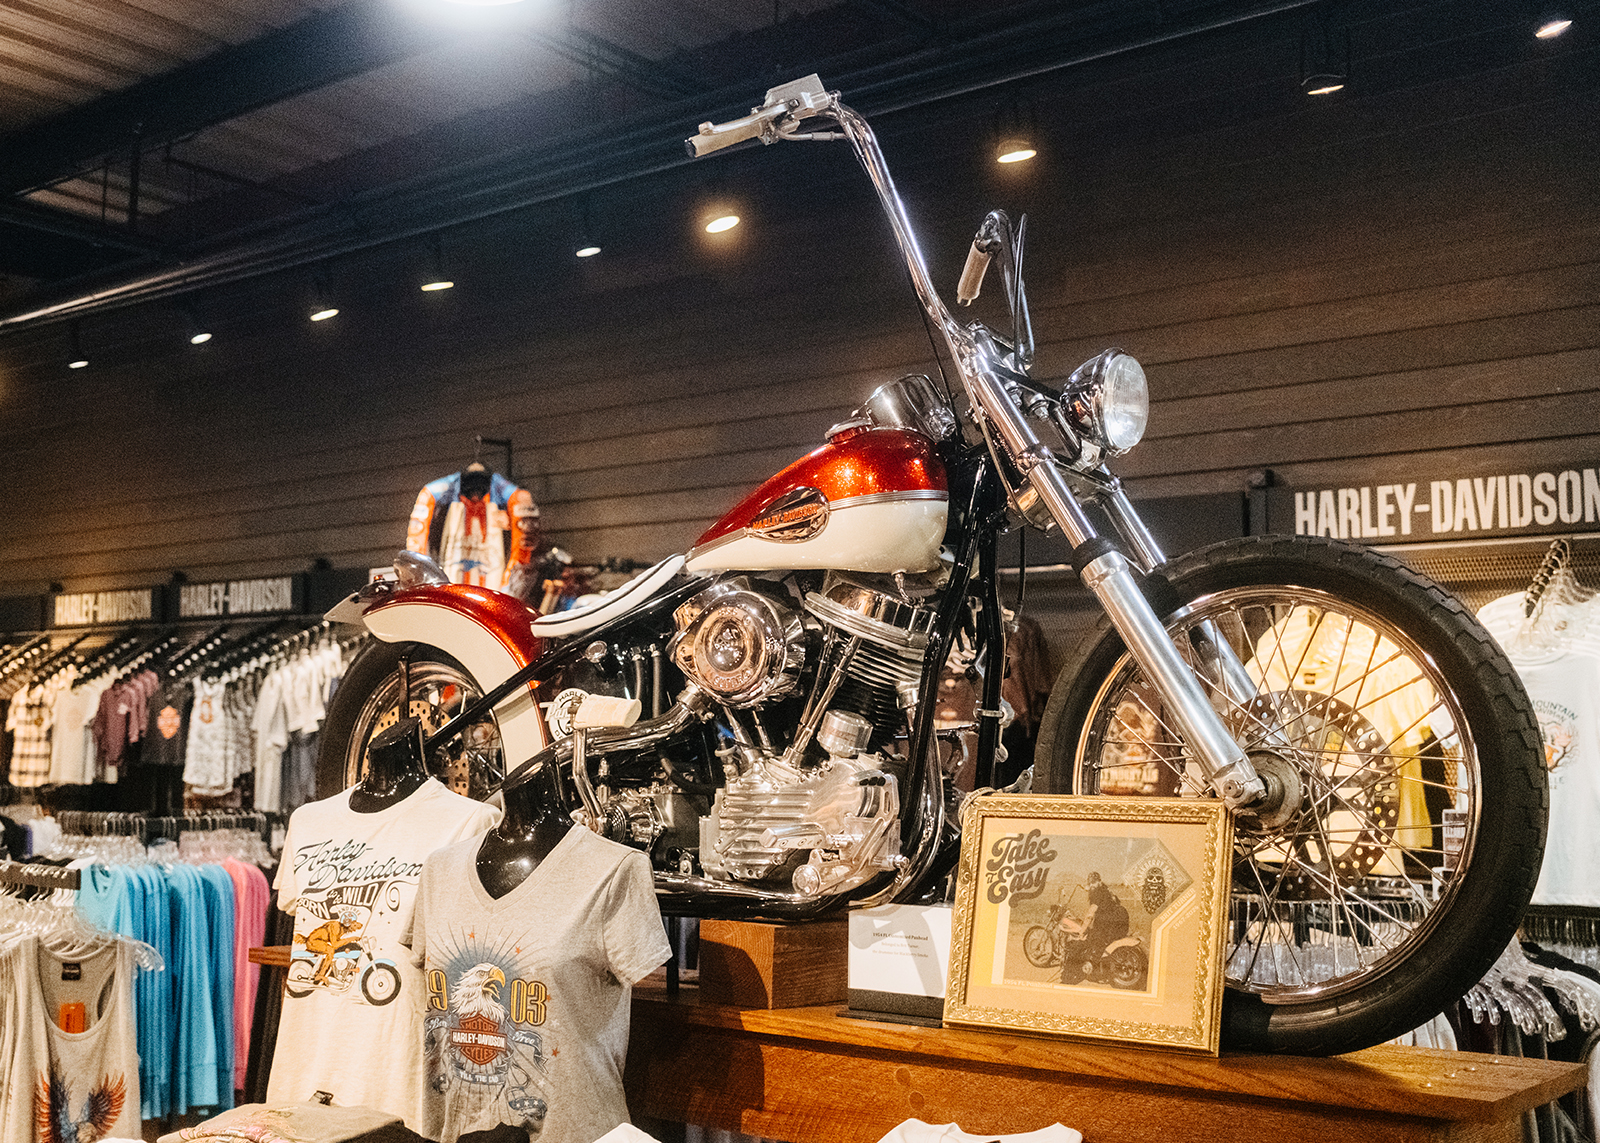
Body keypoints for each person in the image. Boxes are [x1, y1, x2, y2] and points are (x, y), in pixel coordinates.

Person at [1060, 872, 1130, 961]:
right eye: (1090, 883)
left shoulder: (1096, 893)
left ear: (1099, 881)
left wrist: (1082, 930)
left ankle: (1089, 964)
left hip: (1110, 926)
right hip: (1121, 923)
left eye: (1094, 882)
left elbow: (1090, 914)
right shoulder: (1106, 889)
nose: (1092, 885)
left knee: (1086, 939)